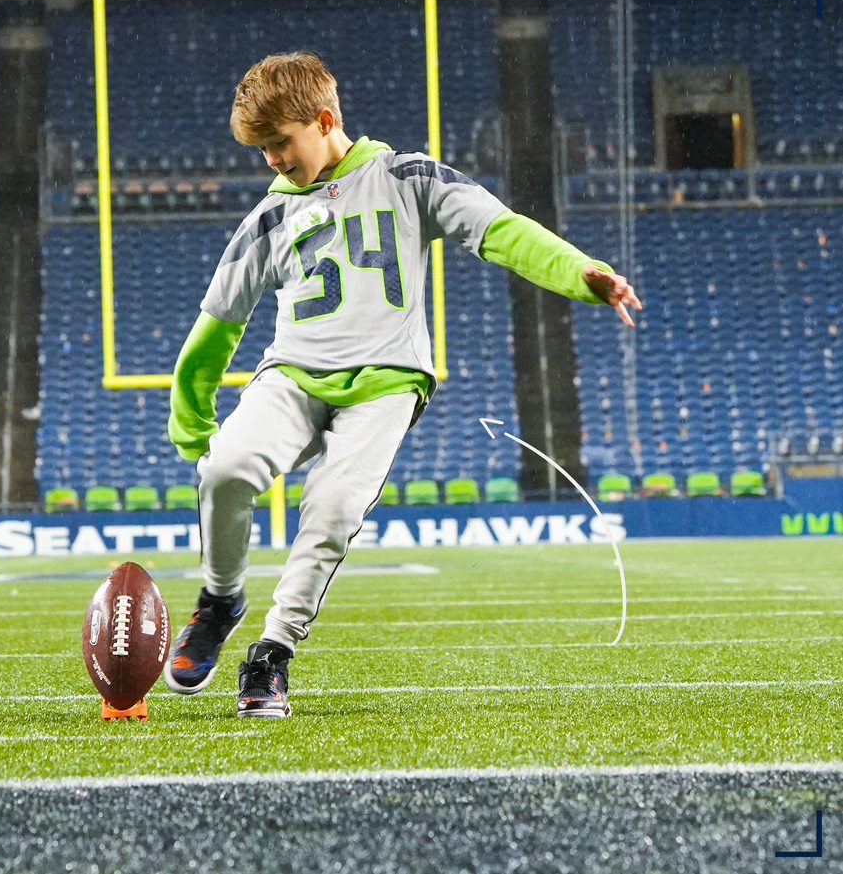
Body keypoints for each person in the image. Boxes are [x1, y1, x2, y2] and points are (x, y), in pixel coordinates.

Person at [164, 51, 642, 719]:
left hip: (386, 383)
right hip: (294, 374)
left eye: (279, 143)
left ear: (323, 119)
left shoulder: (406, 175)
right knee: (224, 469)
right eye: (262, 148)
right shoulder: (269, 219)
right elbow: (215, 328)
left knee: (331, 511)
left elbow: (498, 230)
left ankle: (270, 654)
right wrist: (192, 426)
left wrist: (578, 271)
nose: (271, 159)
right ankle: (219, 600)